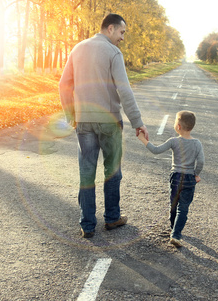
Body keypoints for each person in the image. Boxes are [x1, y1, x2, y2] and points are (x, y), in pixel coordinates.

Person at [59, 13, 149, 239]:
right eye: (121, 32)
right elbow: (124, 90)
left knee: (87, 172)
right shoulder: (113, 52)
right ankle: (111, 218)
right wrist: (137, 122)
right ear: (110, 29)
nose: (122, 38)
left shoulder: (77, 48)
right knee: (112, 171)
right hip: (109, 121)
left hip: (84, 122)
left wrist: (71, 114)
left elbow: (63, 84)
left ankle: (87, 225)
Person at [138, 111, 204, 247]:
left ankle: (173, 226)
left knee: (174, 204)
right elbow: (201, 161)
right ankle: (176, 234)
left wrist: (143, 139)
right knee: (183, 207)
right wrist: (196, 174)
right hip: (189, 178)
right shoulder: (197, 143)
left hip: (176, 177)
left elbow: (156, 150)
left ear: (178, 126)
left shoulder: (173, 141)